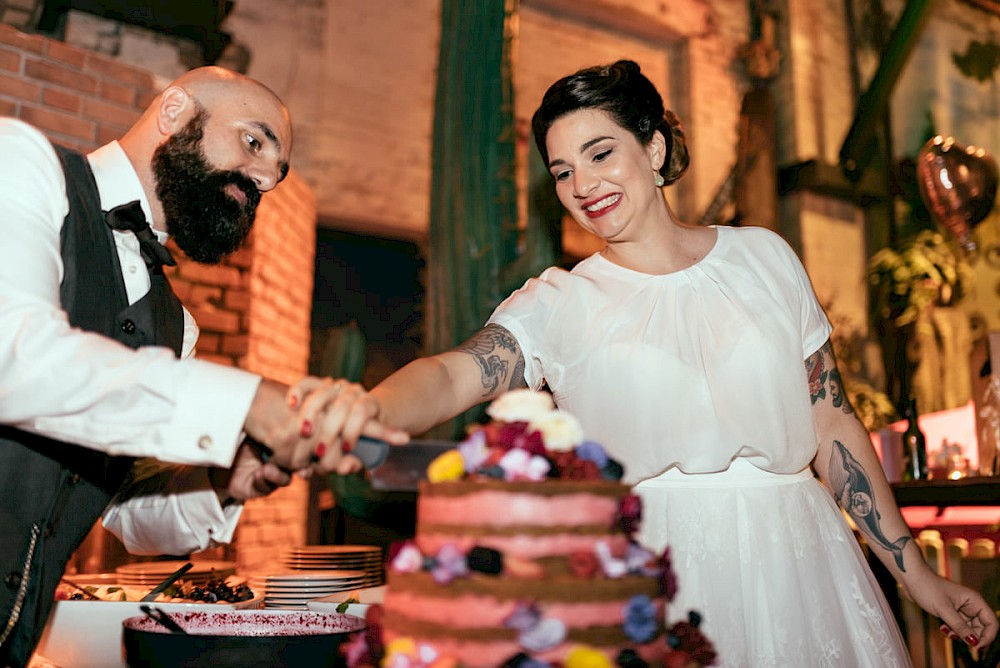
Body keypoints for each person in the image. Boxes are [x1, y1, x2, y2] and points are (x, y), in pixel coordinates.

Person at [369, 60, 997, 665]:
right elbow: (453, 373)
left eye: (600, 153)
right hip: (655, 584)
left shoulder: (766, 259)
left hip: (802, 570)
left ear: (655, 149)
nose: (583, 186)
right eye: (561, 172)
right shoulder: (559, 302)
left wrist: (918, 577)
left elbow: (832, 426)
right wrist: (361, 412)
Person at [0, 66, 407, 666]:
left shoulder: (176, 324)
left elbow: (126, 514)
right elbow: (16, 357)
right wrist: (247, 400)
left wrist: (223, 480)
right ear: (173, 113)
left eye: (278, 169)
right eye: (253, 141)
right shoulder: (23, 163)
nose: (267, 177)